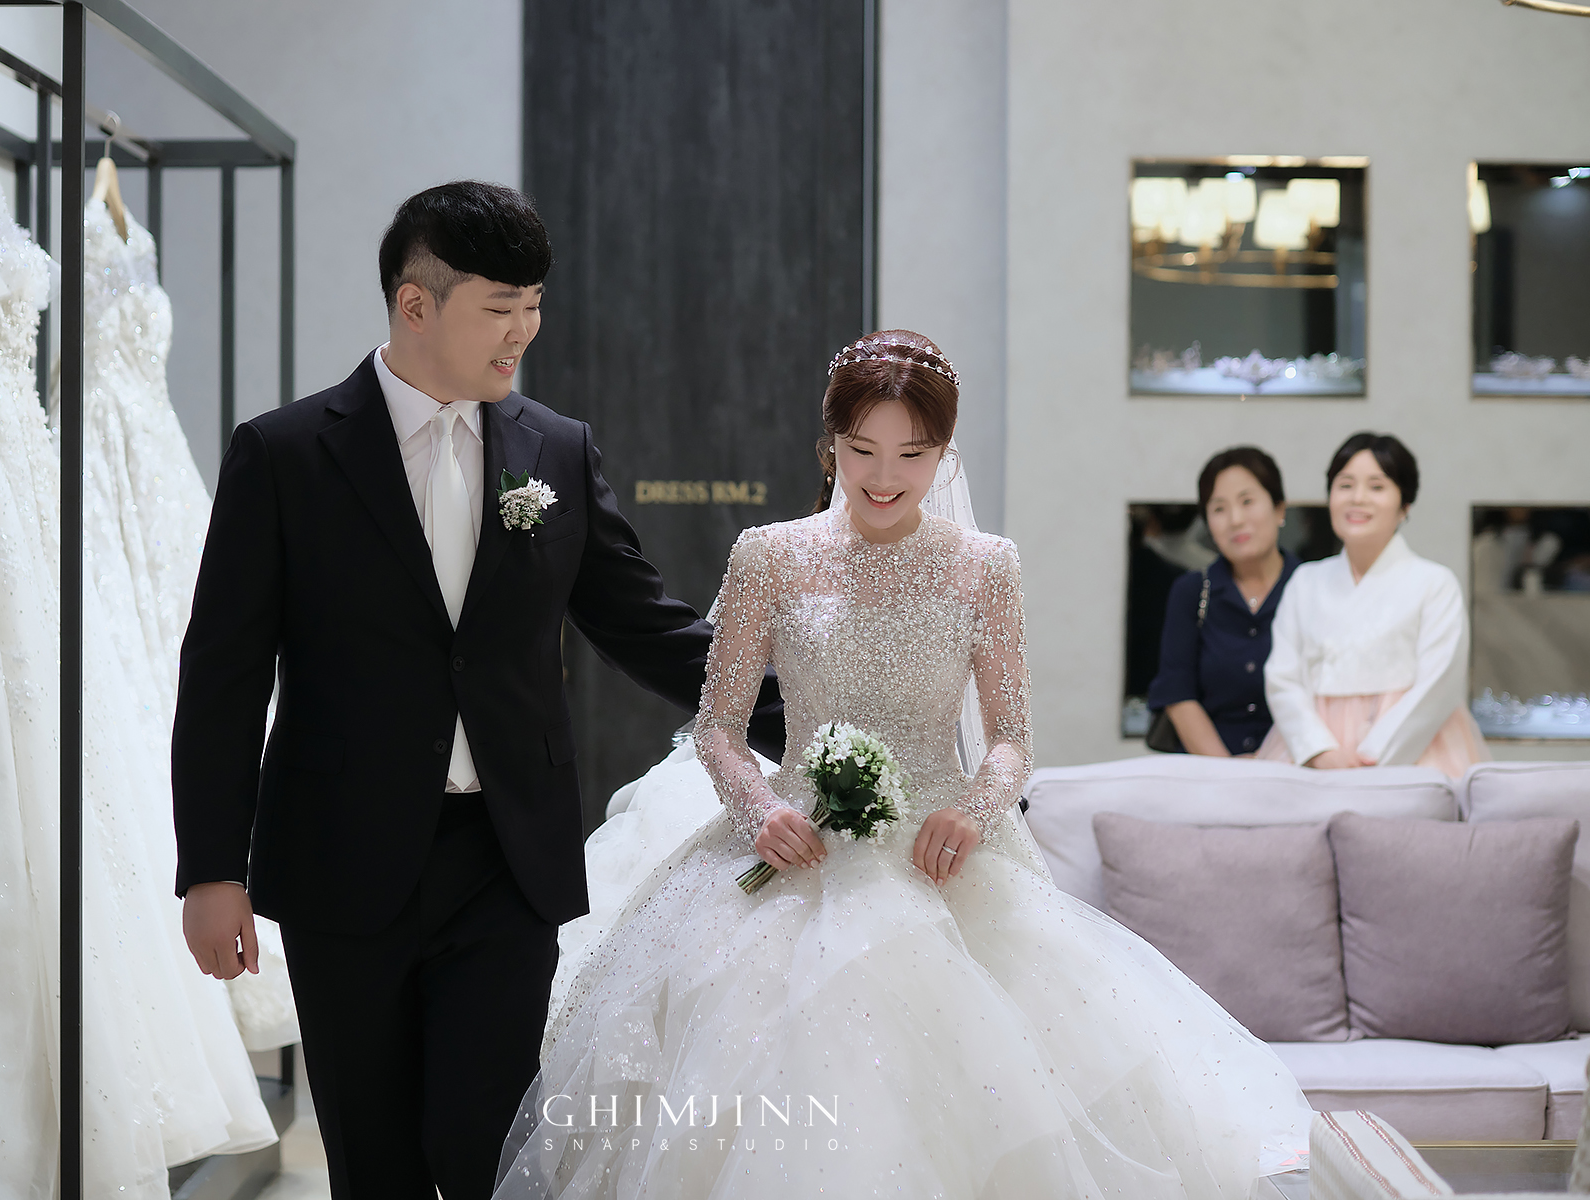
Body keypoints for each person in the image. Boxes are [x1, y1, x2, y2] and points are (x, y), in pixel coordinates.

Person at [495, 332, 1309, 1197]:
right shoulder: (769, 555)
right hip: (796, 845)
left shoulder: (985, 566)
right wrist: (759, 811)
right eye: (862, 451)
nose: (884, 477)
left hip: (940, 854)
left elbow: (1011, 739)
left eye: (912, 455)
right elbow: (719, 728)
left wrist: (975, 811)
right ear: (829, 446)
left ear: (944, 453)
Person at [170, 181, 785, 1200]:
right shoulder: (283, 455)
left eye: (533, 304)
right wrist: (209, 870)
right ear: (416, 305)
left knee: (491, 1152)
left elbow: (645, 624)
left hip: (505, 860)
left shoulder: (557, 449)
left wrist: (814, 709)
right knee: (373, 1161)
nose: (524, 331)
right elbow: (223, 677)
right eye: (501, 307)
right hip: (341, 863)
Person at [1258, 432, 1488, 773]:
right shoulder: (1305, 582)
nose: (1358, 498)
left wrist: (1374, 758)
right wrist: (1319, 751)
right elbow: (1282, 678)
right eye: (1345, 485)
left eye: (1377, 487)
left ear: (1404, 506)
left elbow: (1439, 684)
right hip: (1313, 753)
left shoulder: (1434, 583)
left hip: (1413, 753)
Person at [1147, 446, 1300, 755]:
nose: (1235, 520)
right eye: (1219, 509)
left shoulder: (1310, 587)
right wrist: (1229, 772)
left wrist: (1276, 764)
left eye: (1247, 502)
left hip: (1295, 769)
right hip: (1209, 772)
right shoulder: (1191, 592)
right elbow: (1177, 694)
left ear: (1279, 509)